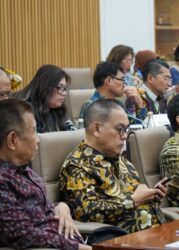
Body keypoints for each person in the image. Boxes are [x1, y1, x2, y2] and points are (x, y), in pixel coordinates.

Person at [59, 99, 167, 233]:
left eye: (126, 130)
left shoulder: (121, 159)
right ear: (96, 129)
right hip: (121, 240)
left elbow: (137, 198)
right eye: (120, 129)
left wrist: (151, 196)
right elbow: (86, 212)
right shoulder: (77, 165)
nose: (125, 136)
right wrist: (133, 201)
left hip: (158, 232)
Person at [0, 99, 90, 250]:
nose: (38, 140)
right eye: (34, 131)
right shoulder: (3, 181)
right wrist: (80, 248)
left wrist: (61, 206)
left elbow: (35, 210)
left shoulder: (24, 170)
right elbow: (23, 235)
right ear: (12, 140)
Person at [14, 64, 76, 133]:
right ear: (44, 87)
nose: (64, 93)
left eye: (64, 88)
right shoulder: (25, 111)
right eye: (59, 87)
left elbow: (74, 135)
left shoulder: (60, 110)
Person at [79, 61, 147, 123]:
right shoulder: (91, 106)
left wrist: (139, 103)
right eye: (122, 79)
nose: (125, 84)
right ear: (109, 80)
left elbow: (135, 130)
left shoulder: (118, 104)